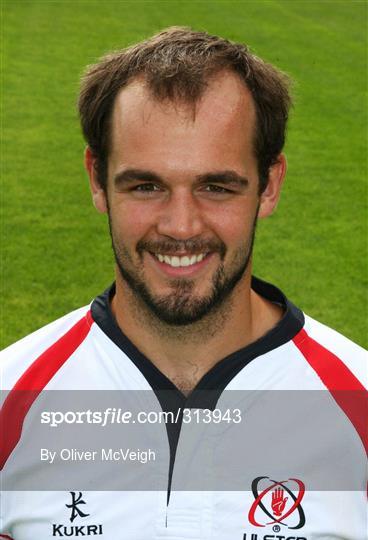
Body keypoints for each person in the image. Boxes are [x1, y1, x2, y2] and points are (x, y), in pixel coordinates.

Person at [0, 27, 366, 540]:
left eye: (216, 187)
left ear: (269, 184)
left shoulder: (359, 402)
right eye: (146, 186)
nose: (180, 226)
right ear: (96, 179)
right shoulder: (11, 397)